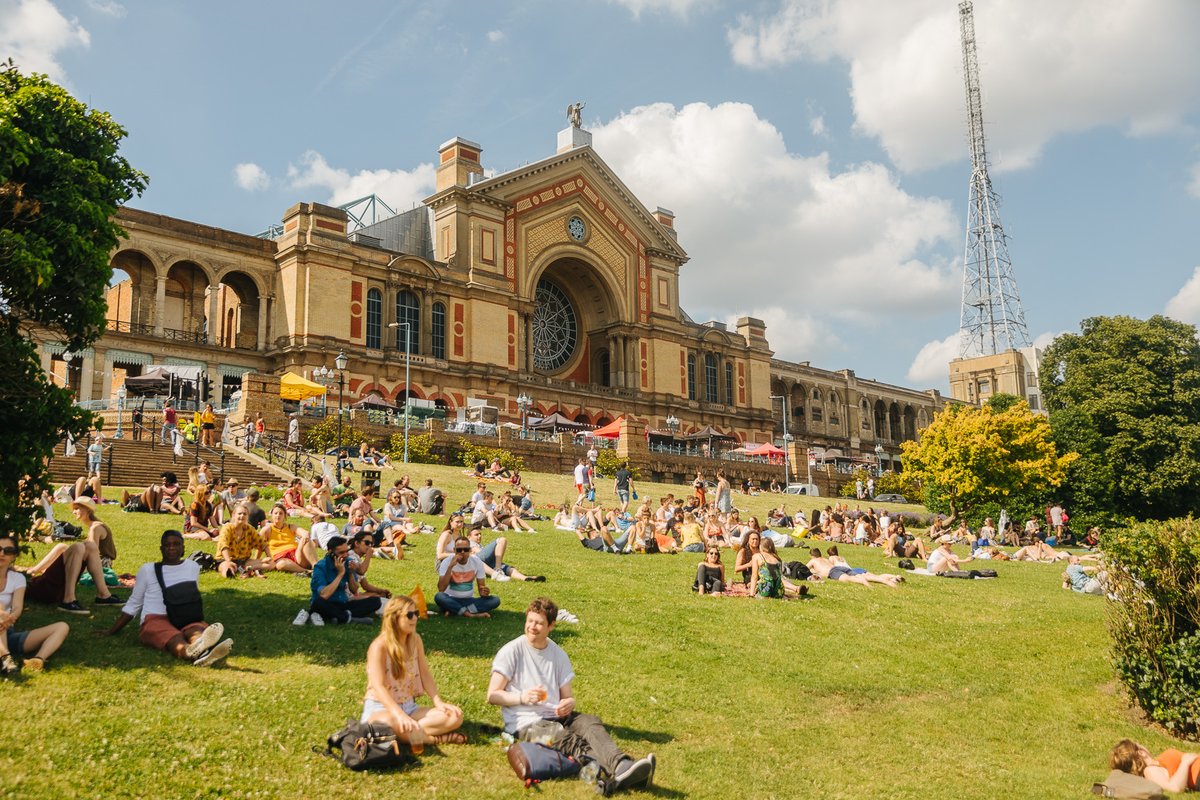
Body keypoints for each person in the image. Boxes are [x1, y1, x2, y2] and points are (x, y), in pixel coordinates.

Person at [487, 597, 657, 791]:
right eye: (530, 621)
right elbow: (492, 695)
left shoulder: (558, 654)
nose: (532, 627)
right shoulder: (511, 651)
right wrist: (522, 697)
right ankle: (621, 773)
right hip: (525, 722)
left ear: (551, 625)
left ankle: (621, 765)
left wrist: (568, 703)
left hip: (557, 715)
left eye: (539, 623)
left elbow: (567, 696)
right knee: (569, 740)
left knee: (590, 723)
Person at [99, 529, 233, 667]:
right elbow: (134, 604)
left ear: (183, 548)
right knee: (173, 637)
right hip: (154, 619)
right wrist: (112, 631)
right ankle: (191, 651)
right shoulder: (148, 570)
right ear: (161, 549)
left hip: (184, 616)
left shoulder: (192, 567)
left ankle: (201, 645)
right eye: (167, 545)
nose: (171, 548)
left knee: (195, 629)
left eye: (176, 544)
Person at [359, 595, 466, 748]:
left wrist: (438, 702)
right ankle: (433, 739)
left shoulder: (415, 640)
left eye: (416, 613)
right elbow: (378, 686)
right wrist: (399, 715)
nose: (415, 618)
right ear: (394, 618)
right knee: (389, 723)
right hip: (381, 708)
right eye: (409, 615)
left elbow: (425, 673)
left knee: (455, 716)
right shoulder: (379, 647)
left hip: (409, 707)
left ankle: (410, 733)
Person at [0, 532, 70, 674]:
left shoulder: (17, 578)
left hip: (7, 630)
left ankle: (37, 660)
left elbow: (18, 607)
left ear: (13, 556)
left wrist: (10, 618)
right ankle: (5, 658)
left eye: (8, 551)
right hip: (2, 623)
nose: (2, 553)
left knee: (62, 627)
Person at [308, 536, 384, 625]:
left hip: (343, 603)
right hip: (327, 603)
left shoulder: (348, 562)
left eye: (346, 552)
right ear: (330, 552)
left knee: (375, 601)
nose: (345, 555)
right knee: (318, 603)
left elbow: (354, 590)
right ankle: (348, 618)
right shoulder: (320, 567)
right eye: (341, 553)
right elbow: (324, 595)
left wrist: (350, 573)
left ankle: (339, 616)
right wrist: (340, 574)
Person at [435, 536, 500, 618]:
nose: (462, 552)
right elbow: (441, 589)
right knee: (439, 597)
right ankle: (469, 613)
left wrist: (484, 592)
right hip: (451, 599)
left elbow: (481, 589)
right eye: (459, 550)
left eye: (465, 550)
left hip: (469, 600)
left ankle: (455, 610)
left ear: (469, 550)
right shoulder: (447, 562)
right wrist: (450, 567)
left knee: (495, 600)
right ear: (454, 550)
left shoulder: (476, 562)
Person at [1110, 739, 1200, 793]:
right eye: (1139, 744)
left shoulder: (1156, 764)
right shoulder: (1149, 771)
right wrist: (1185, 762)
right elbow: (1174, 788)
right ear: (1141, 752)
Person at [216, 505, 273, 579]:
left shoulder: (249, 529)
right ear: (233, 515)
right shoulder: (227, 528)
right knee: (227, 567)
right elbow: (224, 546)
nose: (242, 516)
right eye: (239, 514)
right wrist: (229, 561)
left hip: (244, 561)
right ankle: (232, 572)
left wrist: (270, 557)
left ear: (247, 516)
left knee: (270, 564)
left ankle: (247, 569)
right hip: (225, 559)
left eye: (244, 514)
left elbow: (263, 543)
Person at [261, 503, 318, 574]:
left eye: (281, 513)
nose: (278, 515)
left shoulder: (290, 527)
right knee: (280, 564)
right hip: (280, 558)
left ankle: (317, 566)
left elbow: (305, 532)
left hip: (296, 555)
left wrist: (305, 536)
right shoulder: (267, 529)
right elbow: (258, 543)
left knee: (306, 539)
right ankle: (307, 571)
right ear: (272, 516)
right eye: (275, 513)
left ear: (285, 516)